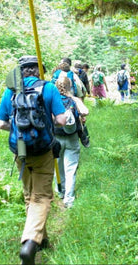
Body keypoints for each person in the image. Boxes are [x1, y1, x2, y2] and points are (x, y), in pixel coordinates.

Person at [0, 55, 66, 265]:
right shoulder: (49, 88)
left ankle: (41, 239)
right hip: (43, 151)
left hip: (20, 150)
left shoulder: (11, 90)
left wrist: (19, 130)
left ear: (21, 71)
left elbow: (1, 123)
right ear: (38, 70)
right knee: (42, 197)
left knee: (29, 196)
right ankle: (29, 244)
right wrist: (45, 127)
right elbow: (62, 120)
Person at [53, 76, 88, 208]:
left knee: (59, 167)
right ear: (70, 86)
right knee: (71, 169)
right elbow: (85, 111)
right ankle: (69, 199)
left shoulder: (53, 100)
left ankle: (60, 192)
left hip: (56, 137)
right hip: (72, 138)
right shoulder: (74, 100)